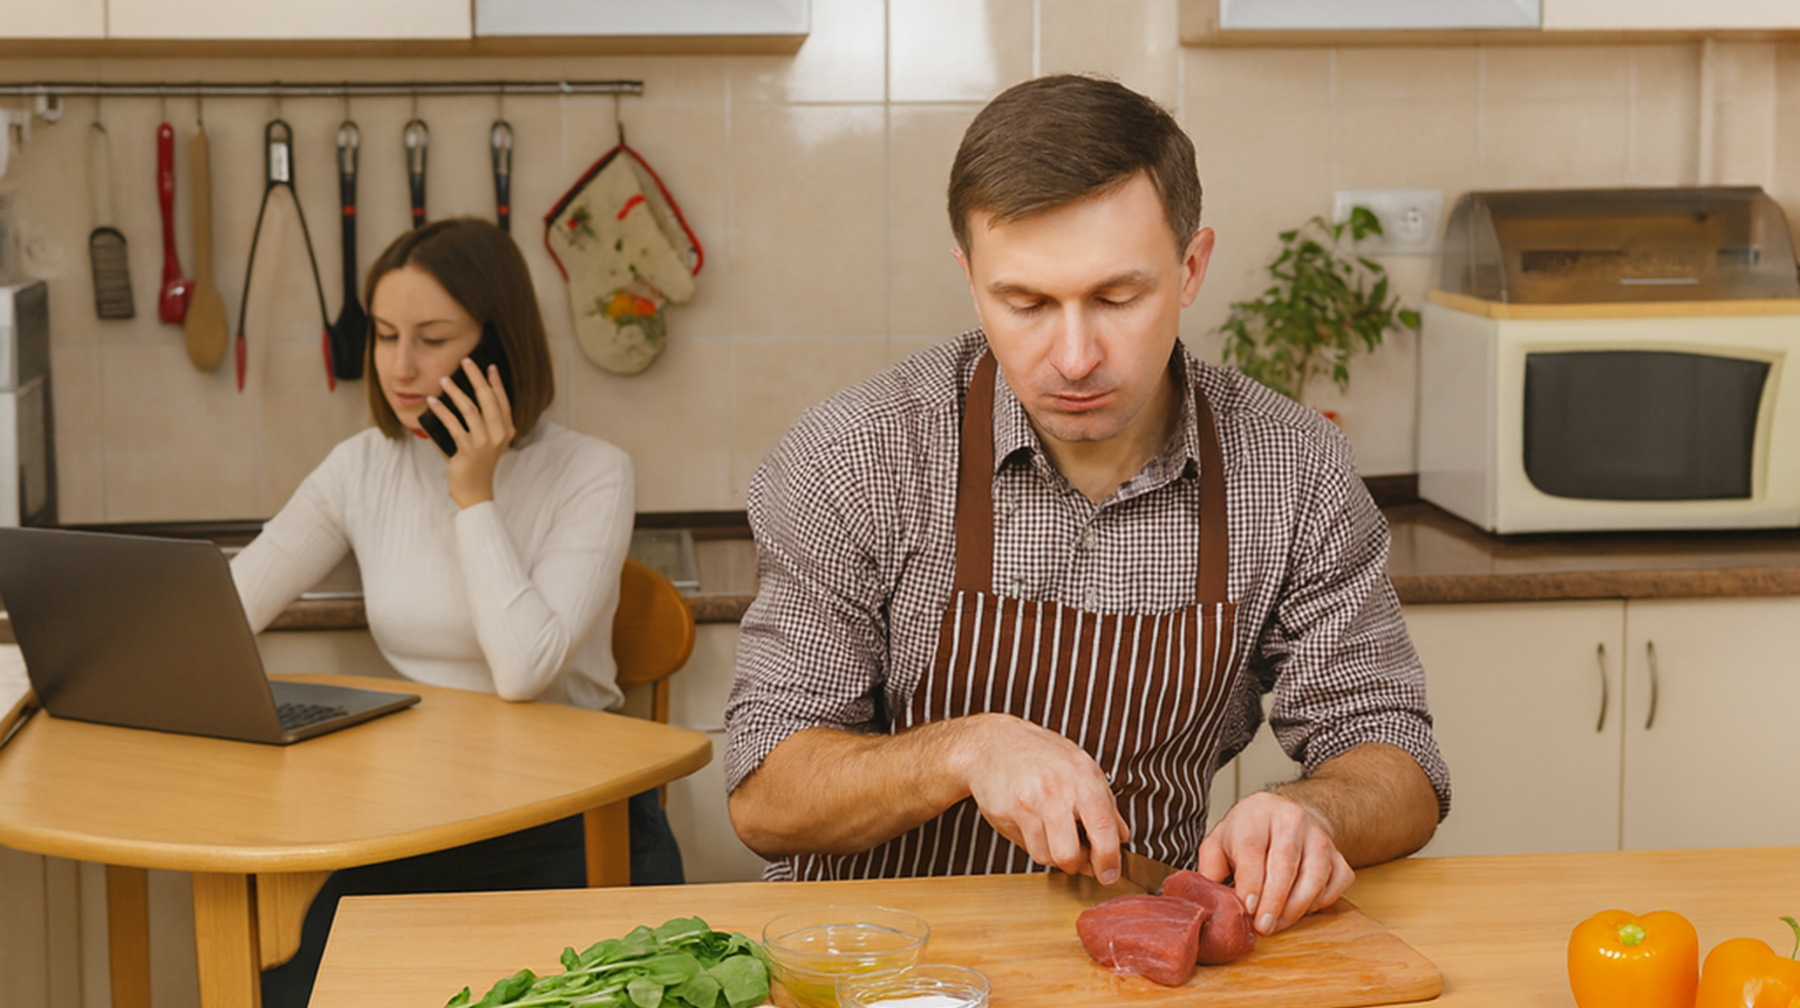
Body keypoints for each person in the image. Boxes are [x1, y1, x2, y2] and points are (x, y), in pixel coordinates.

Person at [723, 75, 1449, 938]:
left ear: (1191, 267)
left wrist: (1316, 814)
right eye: (1024, 302)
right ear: (970, 279)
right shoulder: (855, 459)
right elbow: (766, 795)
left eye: (1116, 298)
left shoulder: (1294, 470)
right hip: (871, 961)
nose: (1072, 357)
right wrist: (965, 750)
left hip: (1140, 955)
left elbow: (1398, 757)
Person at [231, 218, 682, 1008]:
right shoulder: (360, 468)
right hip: (422, 821)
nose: (400, 368)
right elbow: (232, 607)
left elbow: (522, 670)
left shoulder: (594, 474)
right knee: (294, 990)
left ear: (498, 344)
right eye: (384, 335)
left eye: (432, 338)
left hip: (576, 824)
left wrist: (473, 492)